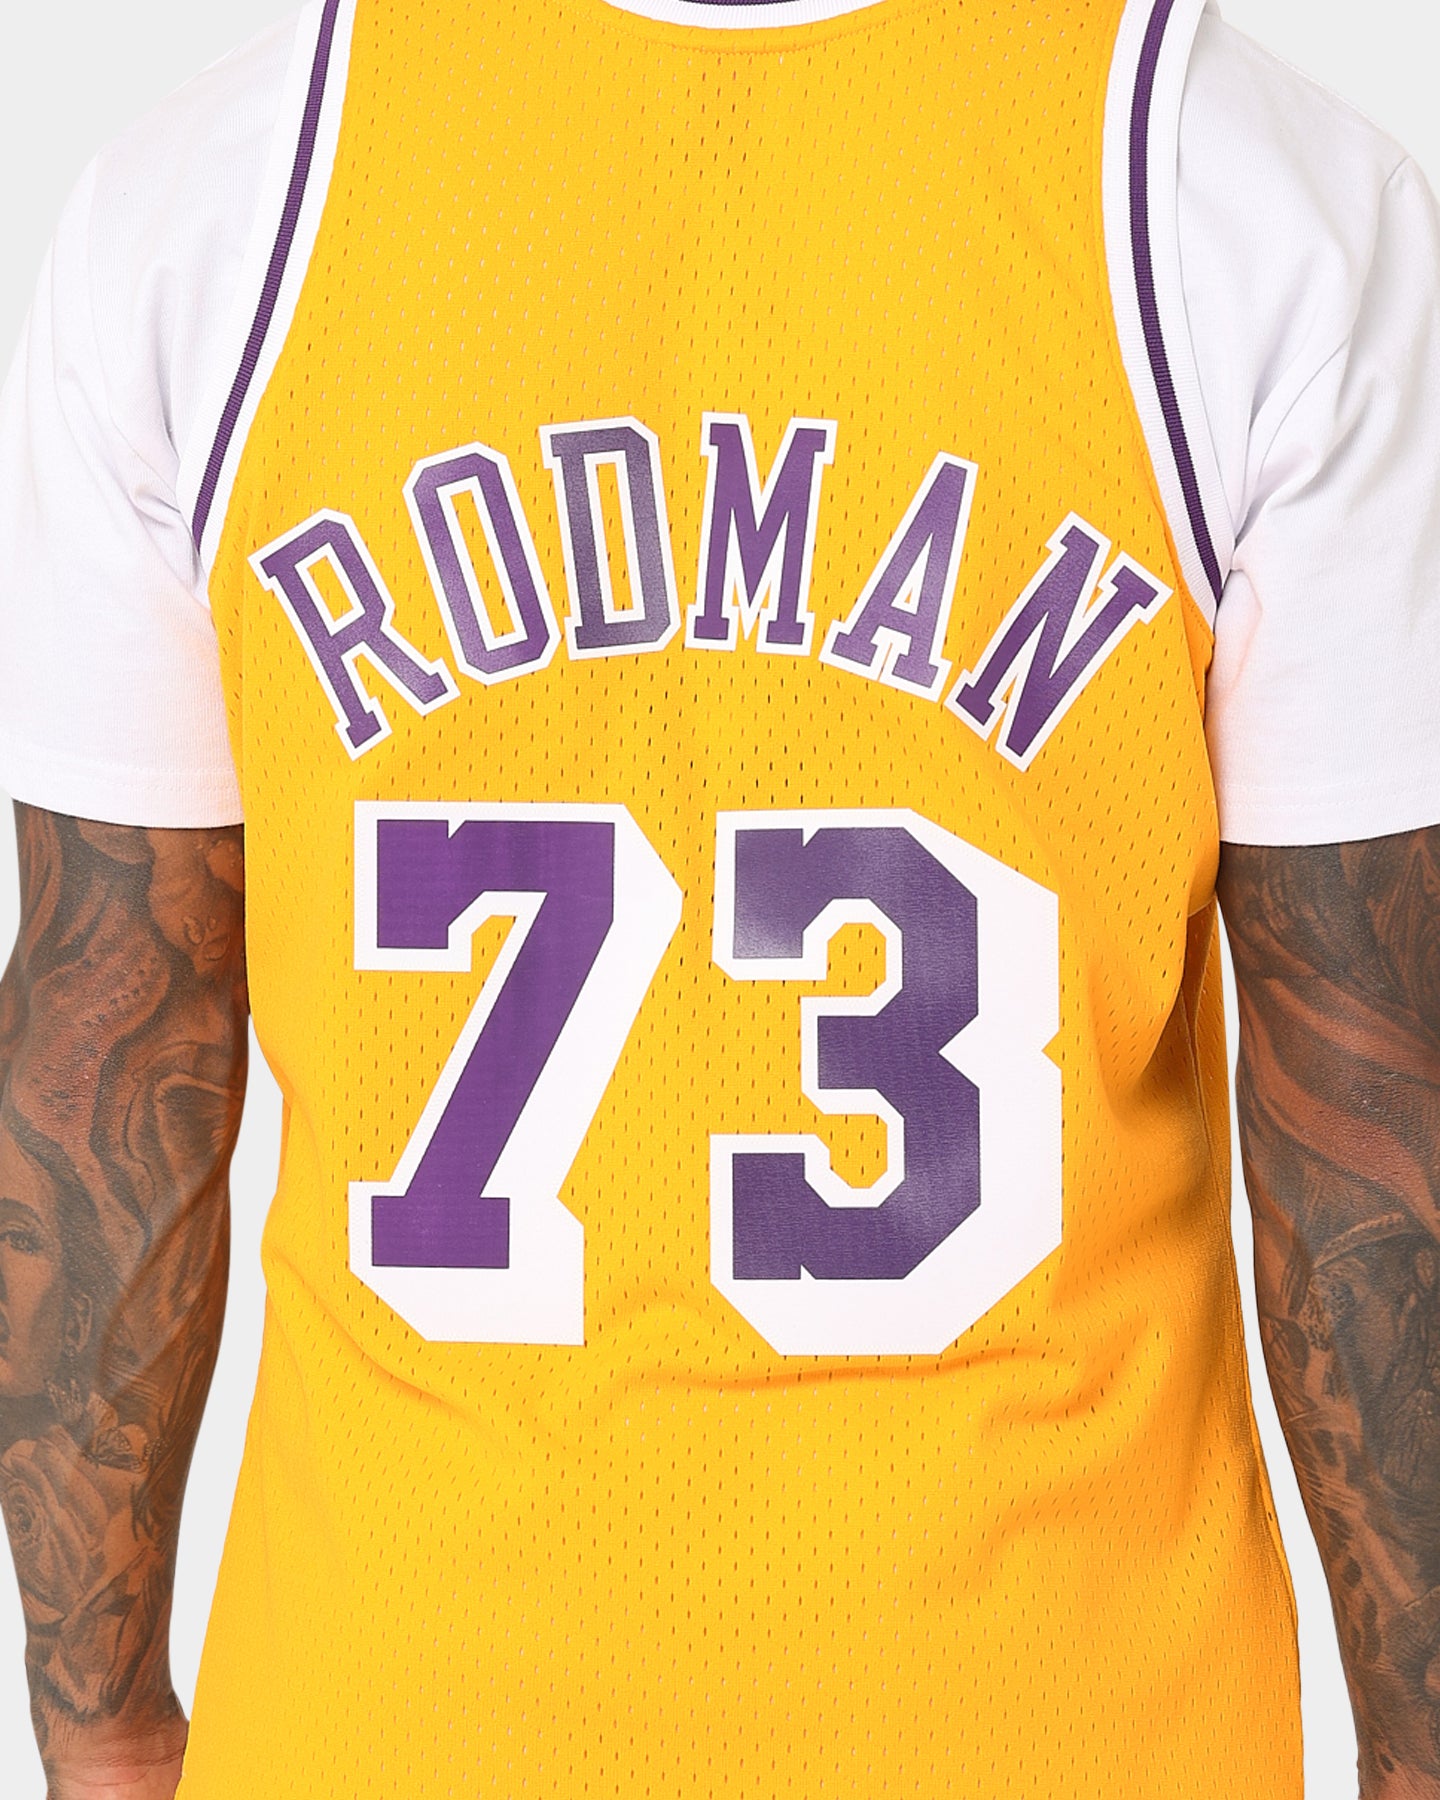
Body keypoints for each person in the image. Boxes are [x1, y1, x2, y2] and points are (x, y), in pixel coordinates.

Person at [1, 0, 1438, 1793]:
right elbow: (1372, 1096)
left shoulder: (200, 209)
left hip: (397, 1720)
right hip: (1067, 1728)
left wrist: (99, 1722)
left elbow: (103, 1054)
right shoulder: (1241, 188)